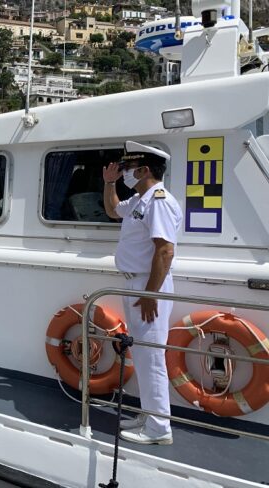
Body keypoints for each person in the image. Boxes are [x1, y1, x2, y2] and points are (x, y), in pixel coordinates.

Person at [103, 140, 182, 446]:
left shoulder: (158, 200)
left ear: (144, 169)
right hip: (138, 284)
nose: (124, 174)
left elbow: (165, 251)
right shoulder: (140, 200)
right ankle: (150, 414)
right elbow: (112, 211)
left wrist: (150, 295)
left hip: (148, 286)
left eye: (127, 169)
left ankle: (160, 427)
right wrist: (110, 184)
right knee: (144, 352)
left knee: (151, 357)